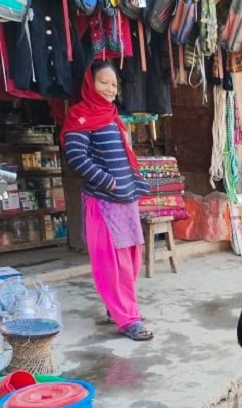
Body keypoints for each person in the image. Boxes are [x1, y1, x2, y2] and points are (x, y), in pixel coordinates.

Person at [62, 60, 153, 341]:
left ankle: (119, 308)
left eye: (114, 84)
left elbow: (124, 155)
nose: (111, 89)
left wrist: (133, 182)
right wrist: (108, 181)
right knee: (113, 265)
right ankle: (128, 319)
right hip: (103, 202)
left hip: (125, 200)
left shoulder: (112, 116)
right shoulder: (80, 115)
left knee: (132, 260)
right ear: (90, 84)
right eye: (104, 82)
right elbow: (77, 157)